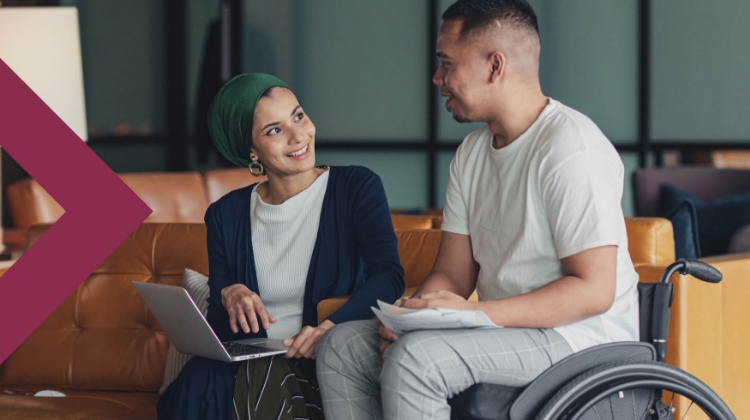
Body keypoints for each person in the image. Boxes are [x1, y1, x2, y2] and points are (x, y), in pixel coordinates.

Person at [316, 1, 640, 419]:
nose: (438, 78)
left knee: (418, 361)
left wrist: (471, 313)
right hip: (504, 331)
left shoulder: (570, 149)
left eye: (447, 64)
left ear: (495, 65)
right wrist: (408, 320)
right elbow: (453, 274)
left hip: (581, 341)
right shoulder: (472, 153)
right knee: (341, 347)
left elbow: (594, 290)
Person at [157, 73, 405, 420]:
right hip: (250, 365)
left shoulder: (355, 187)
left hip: (322, 364)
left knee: (258, 381)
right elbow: (220, 329)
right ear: (251, 151)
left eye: (298, 116)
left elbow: (389, 277)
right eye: (274, 130)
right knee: (202, 380)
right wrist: (229, 292)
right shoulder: (225, 214)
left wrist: (328, 330)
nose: (298, 135)